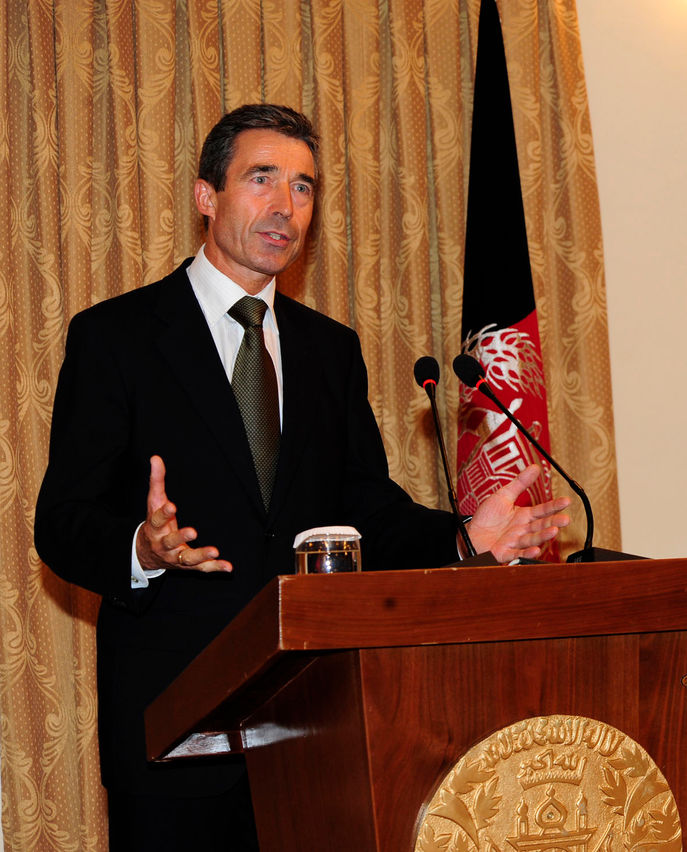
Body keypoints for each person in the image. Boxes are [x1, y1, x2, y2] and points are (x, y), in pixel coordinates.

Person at [33, 104, 572, 851]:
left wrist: (462, 539)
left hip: (315, 732)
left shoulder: (329, 350)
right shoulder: (117, 337)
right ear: (205, 196)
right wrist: (142, 548)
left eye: (304, 187)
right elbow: (61, 520)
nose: (286, 206)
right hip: (176, 737)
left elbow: (364, 509)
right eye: (262, 179)